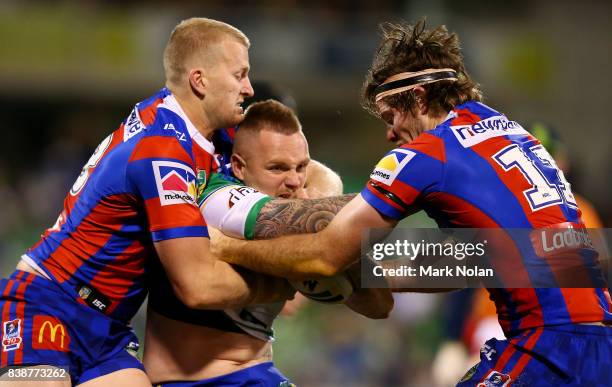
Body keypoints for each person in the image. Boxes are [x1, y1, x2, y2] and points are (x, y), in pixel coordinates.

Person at [211, 20, 612, 386]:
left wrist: (226, 247)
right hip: (599, 340)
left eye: (390, 116)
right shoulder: (513, 135)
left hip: (549, 349)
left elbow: (326, 256)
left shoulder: (426, 155)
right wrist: (367, 269)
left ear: (419, 98)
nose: (390, 134)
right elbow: (467, 262)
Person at [0, 18, 296, 386]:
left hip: (109, 329)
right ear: (199, 80)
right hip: (48, 303)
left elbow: (304, 170)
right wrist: (286, 280)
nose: (248, 88)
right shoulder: (163, 152)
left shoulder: (195, 129)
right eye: (240, 75)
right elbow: (198, 286)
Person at [144, 99, 392, 386]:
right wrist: (405, 194)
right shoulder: (220, 200)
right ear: (238, 166)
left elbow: (380, 306)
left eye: (300, 167)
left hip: (254, 373)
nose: (294, 182)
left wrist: (327, 235)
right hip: (195, 381)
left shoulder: (297, 200)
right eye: (276, 168)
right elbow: (200, 292)